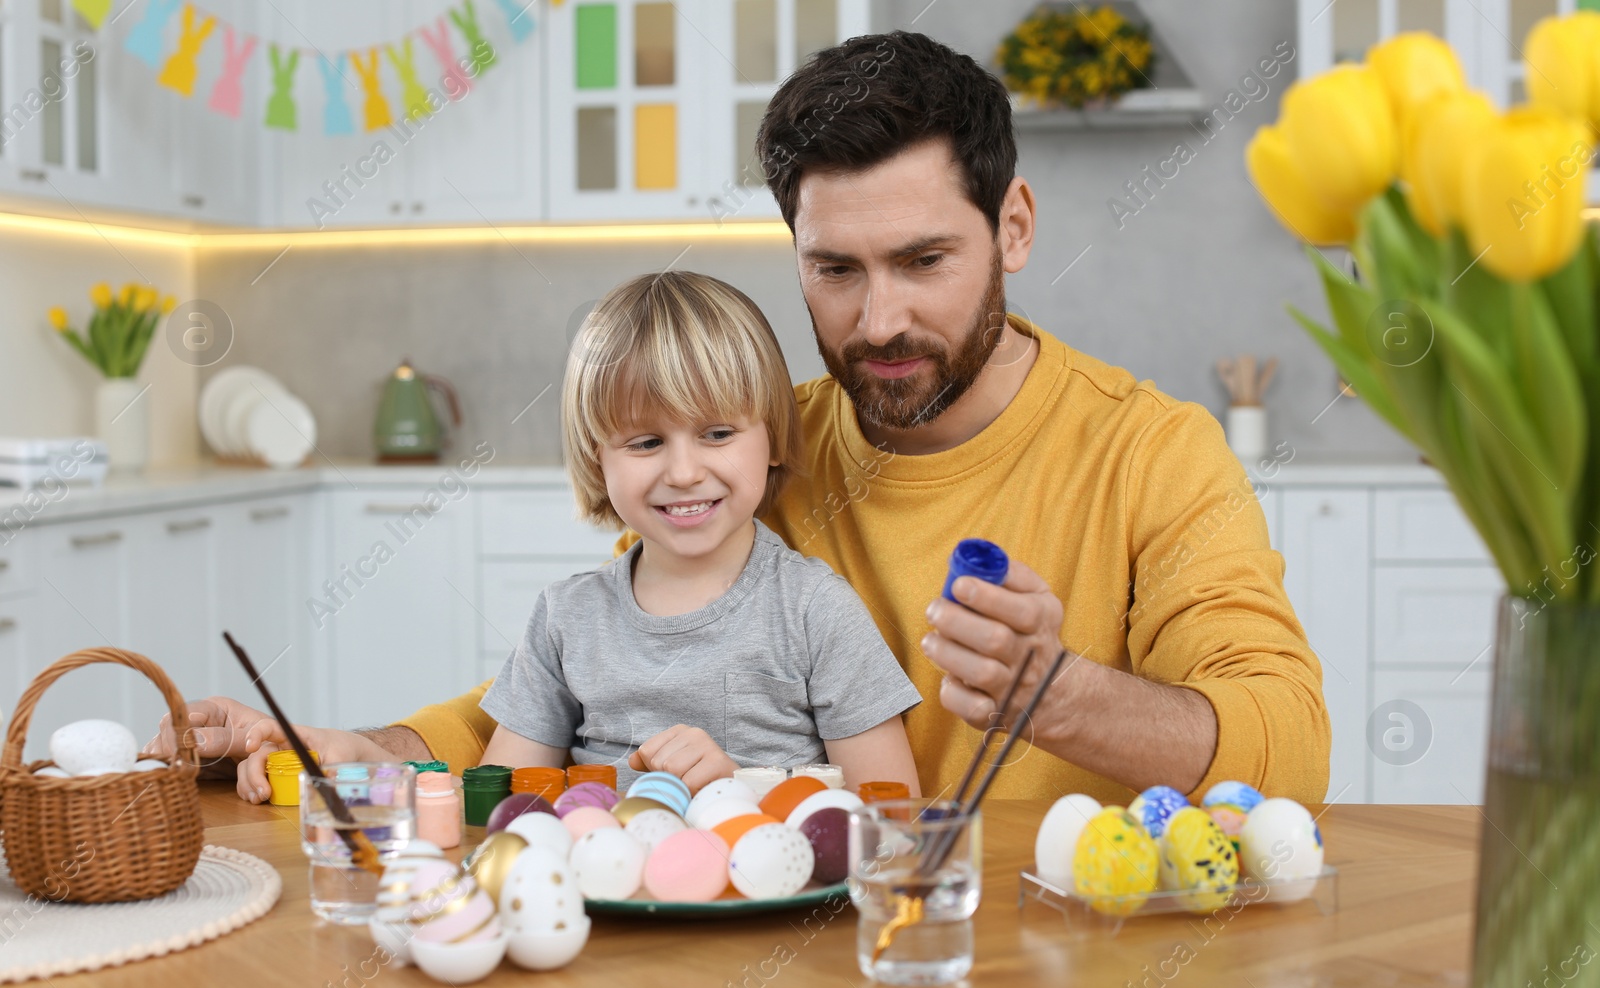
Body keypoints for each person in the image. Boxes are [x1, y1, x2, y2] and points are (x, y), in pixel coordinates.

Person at [162, 31, 1329, 807]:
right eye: (834, 269)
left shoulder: (1151, 453)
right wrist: (365, 751)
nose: (879, 319)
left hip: (1036, 945)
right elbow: (559, 689)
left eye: (924, 259)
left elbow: (1291, 745)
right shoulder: (751, 445)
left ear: (1012, 227)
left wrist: (1055, 692)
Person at [478, 271, 920, 793]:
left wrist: (744, 789)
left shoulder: (816, 612)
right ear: (598, 462)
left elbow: (893, 817)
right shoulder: (565, 619)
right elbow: (499, 806)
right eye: (645, 443)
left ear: (774, 438)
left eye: (717, 434)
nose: (684, 472)